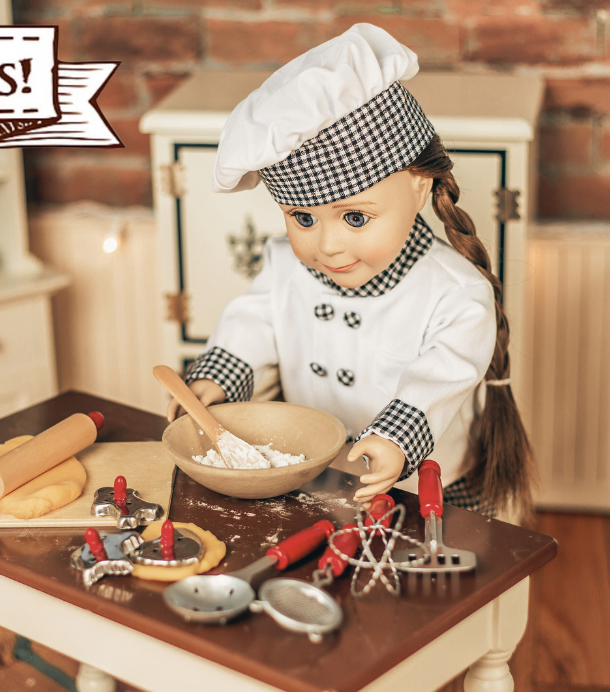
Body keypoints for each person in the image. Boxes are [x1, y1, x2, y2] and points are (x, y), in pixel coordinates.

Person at [177, 23, 532, 516]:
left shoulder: (456, 293)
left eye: (355, 217)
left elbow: (439, 377)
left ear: (419, 186)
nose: (327, 245)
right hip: (317, 472)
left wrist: (395, 440)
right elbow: (252, 327)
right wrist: (215, 381)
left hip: (424, 489)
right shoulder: (285, 265)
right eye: (303, 218)